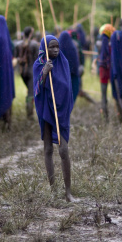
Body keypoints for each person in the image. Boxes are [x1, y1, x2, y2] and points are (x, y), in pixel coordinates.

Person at [33, 35, 76, 201]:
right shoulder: (39, 64)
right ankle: (53, 191)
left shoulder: (63, 62)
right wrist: (44, 73)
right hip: (46, 110)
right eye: (51, 47)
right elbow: (36, 90)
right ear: (45, 48)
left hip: (62, 112)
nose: (55, 50)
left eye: (57, 46)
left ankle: (68, 192)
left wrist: (64, 109)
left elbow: (68, 90)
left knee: (64, 150)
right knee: (48, 149)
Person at [16, 27, 40, 117]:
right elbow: (39, 59)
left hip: (22, 72)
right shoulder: (34, 44)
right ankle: (29, 113)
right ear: (30, 34)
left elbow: (16, 58)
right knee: (30, 93)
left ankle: (29, 110)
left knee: (30, 91)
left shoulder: (18, 44)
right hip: (31, 71)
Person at [97, 24, 115, 121]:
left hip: (104, 71)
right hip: (108, 70)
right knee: (107, 94)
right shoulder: (110, 43)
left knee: (104, 94)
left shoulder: (101, 43)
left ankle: (106, 115)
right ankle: (105, 115)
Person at [58, 31, 81, 103]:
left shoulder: (58, 49)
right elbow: (76, 61)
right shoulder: (73, 47)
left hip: (62, 74)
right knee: (73, 90)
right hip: (73, 73)